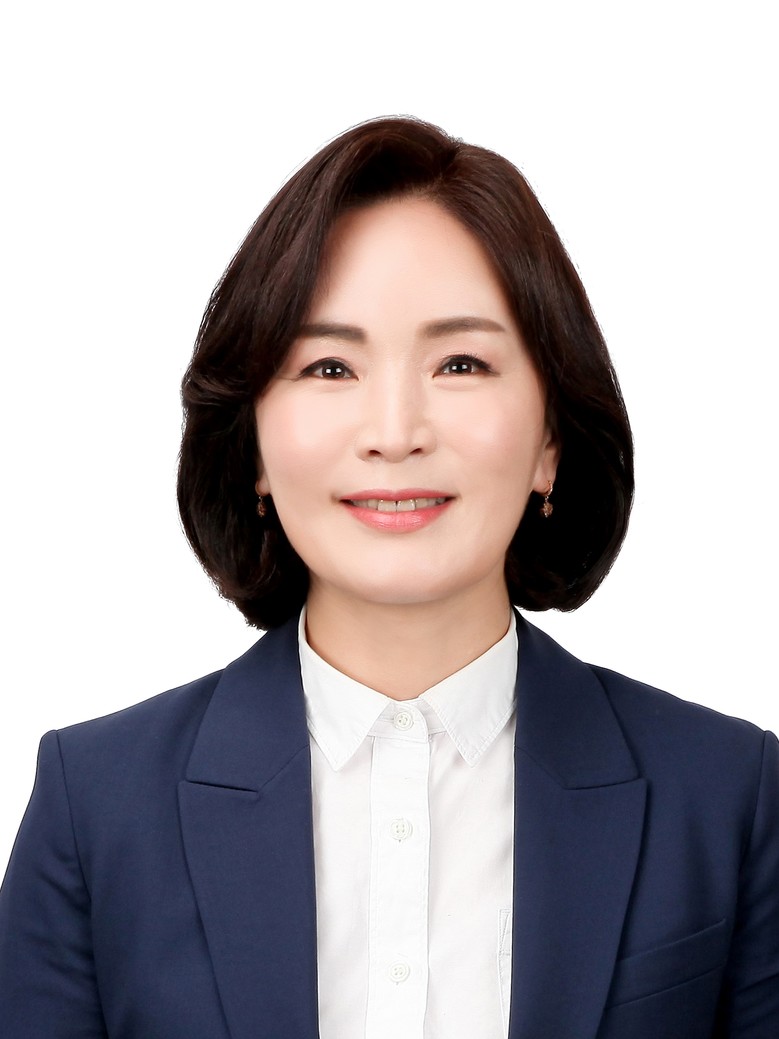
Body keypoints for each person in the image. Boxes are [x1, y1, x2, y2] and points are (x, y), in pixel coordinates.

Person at [0, 117, 776, 1039]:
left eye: (461, 363)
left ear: (550, 439)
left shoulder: (725, 795)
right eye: (329, 366)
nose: (395, 431)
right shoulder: (95, 805)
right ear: (252, 443)